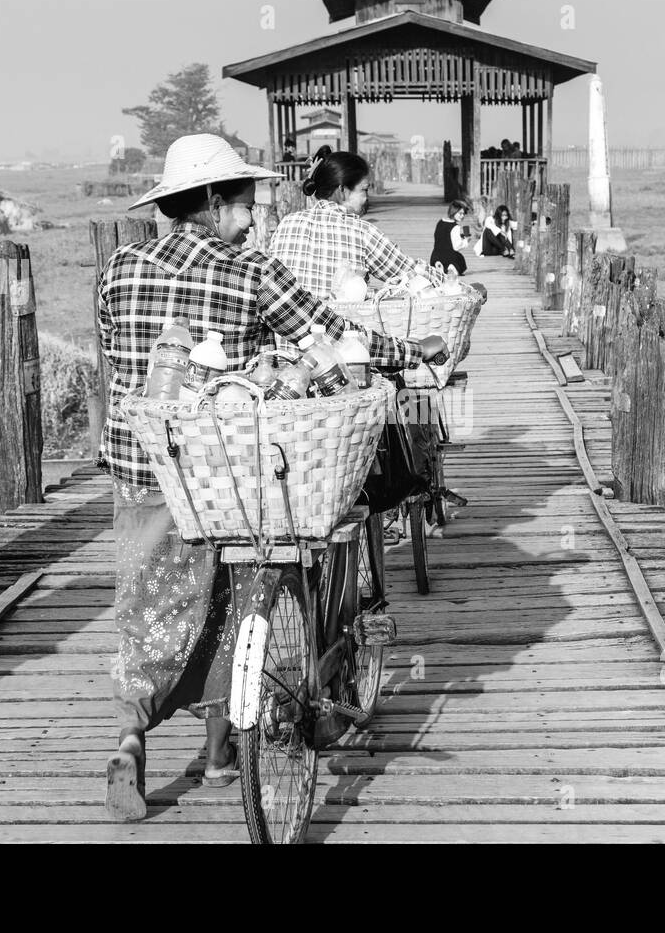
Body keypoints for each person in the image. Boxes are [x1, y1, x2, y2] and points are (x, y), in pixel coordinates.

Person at [97, 134, 449, 821]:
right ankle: (224, 753)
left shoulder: (118, 267)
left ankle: (130, 736)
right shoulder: (251, 272)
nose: (256, 215)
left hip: (146, 466)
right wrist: (407, 348)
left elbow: (118, 358)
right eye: (243, 202)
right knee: (234, 599)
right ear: (209, 202)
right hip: (229, 471)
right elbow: (331, 332)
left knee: (146, 603)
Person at [268, 151, 445, 299]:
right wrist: (452, 283)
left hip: (288, 336)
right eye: (364, 190)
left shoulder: (286, 223)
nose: (367, 198)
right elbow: (409, 272)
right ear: (342, 190)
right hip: (341, 336)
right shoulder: (361, 232)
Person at [430, 201, 470, 275]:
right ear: (453, 212)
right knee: (460, 259)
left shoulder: (441, 222)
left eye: (464, 214)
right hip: (449, 258)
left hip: (435, 256)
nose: (462, 216)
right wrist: (466, 241)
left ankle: (439, 266)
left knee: (443, 256)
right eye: (460, 213)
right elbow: (456, 247)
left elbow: (443, 238)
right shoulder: (455, 227)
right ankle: (449, 268)